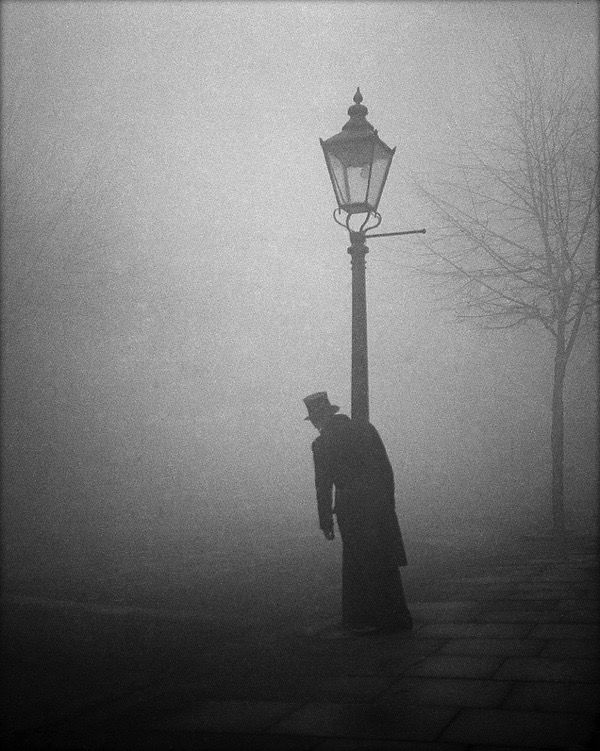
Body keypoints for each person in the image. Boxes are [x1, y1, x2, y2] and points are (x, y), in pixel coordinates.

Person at [303, 391, 412, 634]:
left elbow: (323, 486)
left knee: (360, 564)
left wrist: (325, 521)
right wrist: (388, 501)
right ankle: (397, 616)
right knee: (385, 562)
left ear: (318, 419)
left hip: (350, 509)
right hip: (377, 503)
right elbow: (386, 469)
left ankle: (372, 619)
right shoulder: (365, 429)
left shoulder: (322, 444)